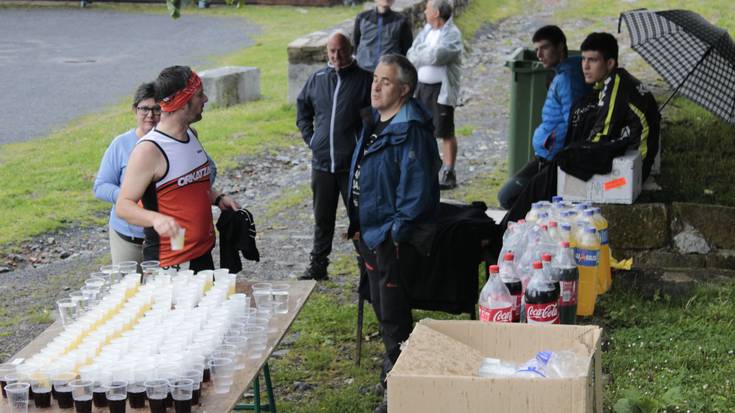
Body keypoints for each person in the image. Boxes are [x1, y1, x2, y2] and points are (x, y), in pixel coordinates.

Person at [347, 54, 441, 413]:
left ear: (403, 90)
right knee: (383, 309)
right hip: (370, 234)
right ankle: (396, 370)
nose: (375, 85)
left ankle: (401, 390)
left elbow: (415, 194)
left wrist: (392, 234)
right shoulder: (376, 121)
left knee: (394, 314)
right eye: (375, 79)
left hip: (390, 238)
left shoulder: (411, 131)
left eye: (385, 82)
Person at [501, 32, 660, 226]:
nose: (584, 66)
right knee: (548, 176)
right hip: (625, 159)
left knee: (554, 172)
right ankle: (509, 227)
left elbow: (601, 137)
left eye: (592, 60)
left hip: (627, 178)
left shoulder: (616, 88)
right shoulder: (614, 82)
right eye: (583, 59)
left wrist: (572, 156)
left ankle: (505, 232)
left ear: (610, 64)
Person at [116, 65, 239, 271]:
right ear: (182, 102)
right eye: (200, 95)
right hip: (170, 263)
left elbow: (191, 185)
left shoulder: (192, 135)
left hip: (203, 253)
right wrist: (156, 219)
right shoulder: (149, 150)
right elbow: (123, 206)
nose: (206, 99)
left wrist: (217, 198)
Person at [296, 31, 373, 280]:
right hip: (322, 164)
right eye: (331, 51)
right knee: (322, 219)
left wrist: (363, 150)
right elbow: (303, 110)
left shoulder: (364, 80)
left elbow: (373, 121)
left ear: (351, 49)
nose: (336, 56)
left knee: (359, 219)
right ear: (326, 52)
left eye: (341, 50)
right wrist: (312, 139)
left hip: (351, 166)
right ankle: (318, 266)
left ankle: (367, 267)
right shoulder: (317, 79)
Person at [497, 25, 590, 209]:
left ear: (561, 47)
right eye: (536, 49)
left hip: (551, 159)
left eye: (545, 48)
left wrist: (553, 154)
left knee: (508, 197)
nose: (539, 54)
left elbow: (574, 122)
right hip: (546, 154)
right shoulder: (564, 73)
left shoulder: (567, 80)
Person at [93, 83, 159, 265]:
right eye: (144, 109)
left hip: (163, 239)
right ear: (134, 110)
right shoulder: (121, 144)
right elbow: (100, 186)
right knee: (127, 290)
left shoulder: (173, 141)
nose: (150, 115)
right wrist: (128, 197)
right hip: (127, 237)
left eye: (156, 109)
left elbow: (207, 170)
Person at [407, 0, 462, 189]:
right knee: (422, 130)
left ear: (436, 12)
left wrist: (422, 54)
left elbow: (438, 56)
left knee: (445, 131)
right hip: (421, 88)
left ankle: (449, 172)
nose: (424, 10)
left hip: (441, 90)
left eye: (427, 8)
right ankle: (426, 170)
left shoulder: (452, 34)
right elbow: (410, 54)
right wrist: (425, 53)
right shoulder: (426, 31)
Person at [353, 0, 413, 73]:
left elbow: (407, 49)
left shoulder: (401, 21)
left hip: (388, 72)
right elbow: (356, 43)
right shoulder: (362, 18)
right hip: (363, 70)